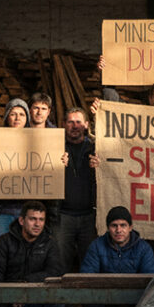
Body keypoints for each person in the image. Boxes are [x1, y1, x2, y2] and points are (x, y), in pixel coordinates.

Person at [80, 206, 154, 307]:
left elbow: (150, 277)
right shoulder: (97, 246)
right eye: (114, 225)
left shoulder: (143, 248)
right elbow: (87, 274)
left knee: (149, 297)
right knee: (86, 295)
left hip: (133, 296)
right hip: (105, 294)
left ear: (130, 227)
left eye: (123, 225)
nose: (118, 230)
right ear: (108, 227)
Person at [56, 107, 100, 276]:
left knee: (89, 264)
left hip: (90, 216)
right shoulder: (53, 148)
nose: (75, 126)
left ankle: (89, 303)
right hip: (62, 215)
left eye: (79, 122)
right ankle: (60, 302)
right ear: (63, 124)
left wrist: (98, 168)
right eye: (70, 122)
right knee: (60, 264)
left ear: (87, 125)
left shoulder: (97, 149)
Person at [0, 98, 31, 243]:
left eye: (22, 114)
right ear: (6, 117)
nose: (17, 118)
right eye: (13, 114)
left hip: (26, 212)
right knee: (1, 254)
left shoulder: (37, 142)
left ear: (27, 119)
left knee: (25, 254)